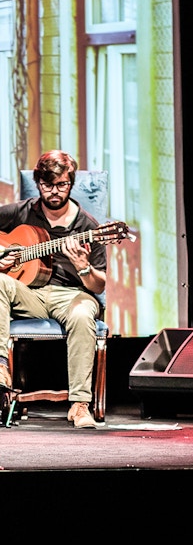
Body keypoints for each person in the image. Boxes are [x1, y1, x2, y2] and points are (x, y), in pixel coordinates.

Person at [0, 150, 107, 428]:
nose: (54, 192)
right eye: (47, 185)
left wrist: (83, 266)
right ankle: (1, 369)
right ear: (38, 184)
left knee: (84, 314)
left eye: (61, 185)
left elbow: (99, 284)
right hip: (29, 293)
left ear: (70, 184)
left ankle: (80, 405)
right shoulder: (22, 212)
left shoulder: (88, 227)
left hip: (71, 295)